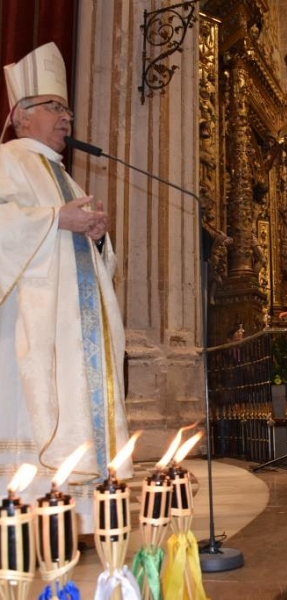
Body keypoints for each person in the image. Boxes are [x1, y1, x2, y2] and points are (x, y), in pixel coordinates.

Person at [0, 43, 132, 533]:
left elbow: (94, 260)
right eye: (55, 107)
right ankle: (27, 514)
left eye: (68, 109)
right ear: (20, 116)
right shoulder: (8, 160)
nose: (67, 118)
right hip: (32, 325)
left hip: (76, 334)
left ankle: (76, 517)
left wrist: (100, 240)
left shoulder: (66, 178)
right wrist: (55, 219)